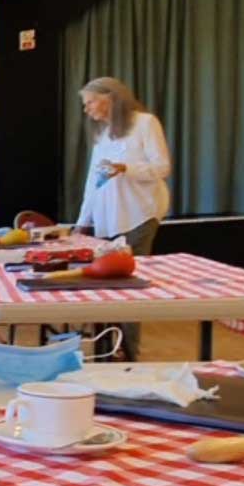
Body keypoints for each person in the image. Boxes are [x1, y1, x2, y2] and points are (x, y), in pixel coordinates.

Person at [75, 77, 171, 359]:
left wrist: (125, 168)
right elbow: (92, 184)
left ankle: (130, 355)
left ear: (111, 99)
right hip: (108, 222)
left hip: (139, 216)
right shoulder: (103, 136)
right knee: (107, 290)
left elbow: (162, 168)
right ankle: (107, 352)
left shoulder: (145, 123)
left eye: (90, 102)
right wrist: (82, 222)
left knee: (129, 290)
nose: (87, 109)